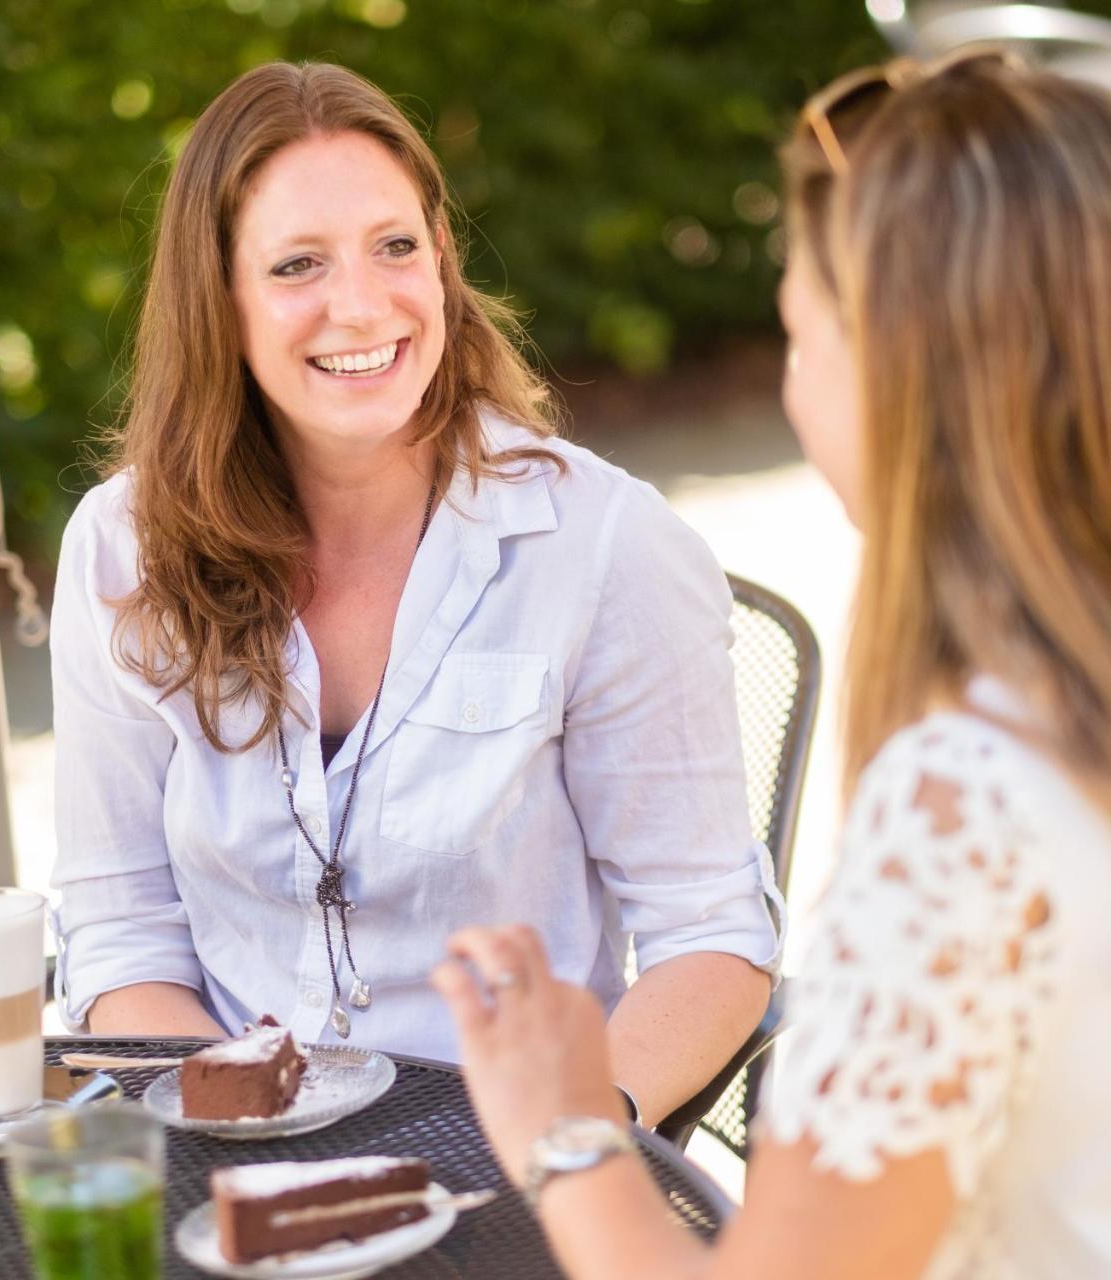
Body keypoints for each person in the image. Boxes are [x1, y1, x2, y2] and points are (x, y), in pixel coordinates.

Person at [434, 50, 1111, 1280]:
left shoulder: (967, 809)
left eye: (799, 334)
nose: (793, 387)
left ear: (907, 374)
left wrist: (560, 1121)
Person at [49, 60, 783, 1126]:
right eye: (297, 263)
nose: (362, 304)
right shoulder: (123, 550)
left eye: (395, 246)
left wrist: (567, 1148)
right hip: (226, 1167)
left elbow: (709, 932)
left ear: (441, 259)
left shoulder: (603, 545)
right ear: (218, 297)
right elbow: (122, 931)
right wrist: (239, 1142)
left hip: (519, 1163)